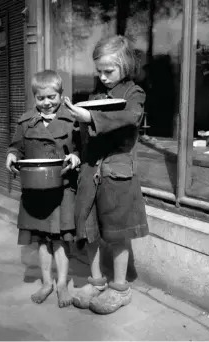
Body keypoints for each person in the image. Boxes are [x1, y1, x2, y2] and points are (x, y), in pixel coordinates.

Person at [64, 35, 149, 314]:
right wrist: (77, 152)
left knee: (117, 232)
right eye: (99, 71)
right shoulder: (94, 98)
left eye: (108, 71)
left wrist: (90, 118)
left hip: (116, 172)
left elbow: (130, 117)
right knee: (89, 230)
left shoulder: (134, 94)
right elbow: (84, 136)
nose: (102, 76)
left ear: (124, 65)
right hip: (90, 172)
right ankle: (97, 281)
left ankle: (120, 288)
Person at [6, 70, 80, 308]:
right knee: (41, 239)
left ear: (61, 94)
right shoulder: (25, 122)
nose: (47, 102)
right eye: (41, 98)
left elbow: (80, 149)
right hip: (35, 190)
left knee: (59, 239)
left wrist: (76, 158)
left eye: (52, 97)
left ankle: (61, 284)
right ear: (34, 98)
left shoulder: (72, 121)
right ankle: (47, 282)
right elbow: (17, 147)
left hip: (62, 188)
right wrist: (11, 155)